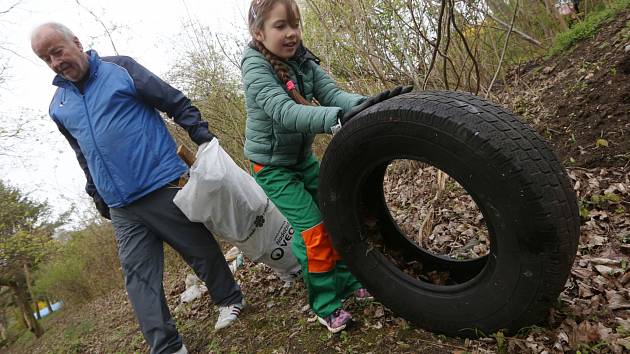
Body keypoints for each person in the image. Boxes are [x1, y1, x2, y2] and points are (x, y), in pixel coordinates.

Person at [31, 22, 244, 354]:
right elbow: (82, 153)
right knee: (139, 280)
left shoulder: (122, 69)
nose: (55, 62)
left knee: (198, 249)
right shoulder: (58, 107)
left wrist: (201, 134)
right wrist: (96, 193)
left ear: (76, 42)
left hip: (161, 181)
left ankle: (229, 299)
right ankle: (167, 346)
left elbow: (172, 100)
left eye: (57, 52)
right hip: (121, 206)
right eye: (46, 59)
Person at [242, 0, 410, 333]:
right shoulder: (254, 67)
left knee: (334, 217)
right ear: (258, 32)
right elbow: (285, 112)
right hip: (272, 169)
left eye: (296, 24)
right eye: (280, 26)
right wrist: (337, 119)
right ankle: (325, 304)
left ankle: (348, 282)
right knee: (314, 232)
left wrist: (370, 104)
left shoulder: (302, 59)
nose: (291, 33)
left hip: (301, 160)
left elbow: (332, 93)